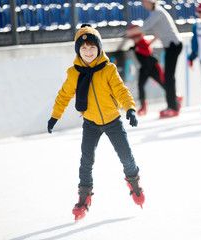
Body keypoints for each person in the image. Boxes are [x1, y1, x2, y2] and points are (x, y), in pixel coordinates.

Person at [47, 24, 145, 221]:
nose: (88, 51)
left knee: (126, 156)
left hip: (112, 121)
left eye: (92, 47)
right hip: (90, 123)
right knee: (86, 161)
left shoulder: (108, 69)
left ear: (99, 48)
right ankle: (84, 199)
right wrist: (55, 116)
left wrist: (130, 109)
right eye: (84, 48)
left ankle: (133, 182)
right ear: (78, 51)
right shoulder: (74, 73)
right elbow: (64, 95)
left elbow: (121, 91)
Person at [126, 0, 183, 118]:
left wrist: (128, 32)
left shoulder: (157, 12)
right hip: (170, 46)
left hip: (173, 45)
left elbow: (144, 27)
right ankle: (174, 104)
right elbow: (156, 32)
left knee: (168, 77)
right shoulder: (155, 14)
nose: (143, 4)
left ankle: (173, 107)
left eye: (145, 2)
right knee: (168, 77)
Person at [127, 24, 166, 116]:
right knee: (140, 85)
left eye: (135, 37)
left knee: (163, 83)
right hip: (144, 69)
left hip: (153, 68)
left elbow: (148, 51)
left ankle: (175, 98)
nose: (134, 40)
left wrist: (137, 49)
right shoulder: (137, 44)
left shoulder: (143, 42)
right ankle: (143, 106)